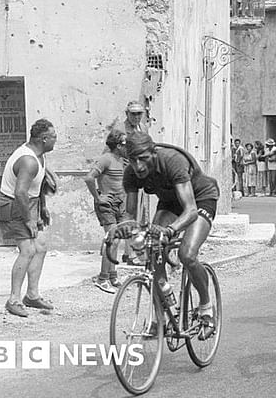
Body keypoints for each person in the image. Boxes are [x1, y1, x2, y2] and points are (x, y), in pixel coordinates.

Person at [121, 132, 220, 339]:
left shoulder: (172, 161)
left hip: (199, 200)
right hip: (169, 202)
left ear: (154, 153)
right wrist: (123, 229)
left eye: (143, 159)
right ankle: (164, 313)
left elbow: (191, 210)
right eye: (133, 159)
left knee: (187, 254)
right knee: (152, 250)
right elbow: (129, 213)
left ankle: (206, 309)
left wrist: (169, 230)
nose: (138, 166)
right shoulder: (131, 173)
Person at [0, 119, 57, 317]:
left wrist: (42, 208)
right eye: (54, 137)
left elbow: (36, 186)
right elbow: (20, 193)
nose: (55, 141)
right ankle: (13, 299)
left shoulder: (39, 155)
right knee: (28, 249)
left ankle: (32, 295)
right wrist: (29, 220)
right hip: (14, 204)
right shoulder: (29, 160)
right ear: (44, 138)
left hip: (29, 203)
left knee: (40, 245)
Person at [84, 129, 130, 294]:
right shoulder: (106, 159)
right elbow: (89, 178)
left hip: (120, 204)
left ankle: (112, 275)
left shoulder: (122, 160)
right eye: (125, 143)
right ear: (118, 145)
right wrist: (98, 198)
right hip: (107, 204)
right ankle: (102, 278)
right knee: (112, 240)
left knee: (118, 239)